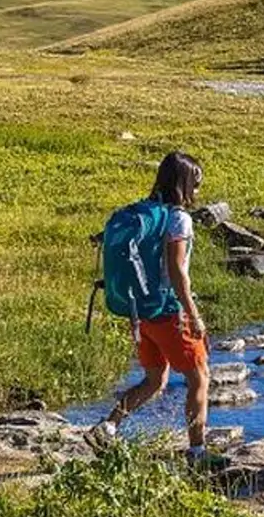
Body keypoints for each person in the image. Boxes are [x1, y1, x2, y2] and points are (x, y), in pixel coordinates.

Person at [88, 151, 213, 460]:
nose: (197, 193)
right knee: (199, 377)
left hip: (141, 311)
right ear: (183, 185)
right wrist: (194, 316)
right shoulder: (177, 219)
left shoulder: (145, 213)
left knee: (156, 380)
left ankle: (108, 428)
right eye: (195, 185)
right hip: (169, 310)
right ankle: (197, 451)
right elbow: (176, 271)